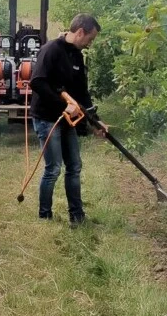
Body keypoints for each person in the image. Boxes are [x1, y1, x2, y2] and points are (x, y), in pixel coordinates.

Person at [29, 13, 109, 228]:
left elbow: (82, 93)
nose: (90, 44)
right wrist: (63, 105)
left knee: (74, 166)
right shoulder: (51, 50)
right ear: (80, 31)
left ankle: (77, 215)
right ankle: (44, 215)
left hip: (67, 120)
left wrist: (95, 121)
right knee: (53, 168)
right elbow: (36, 82)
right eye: (90, 39)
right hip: (47, 118)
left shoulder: (77, 56)